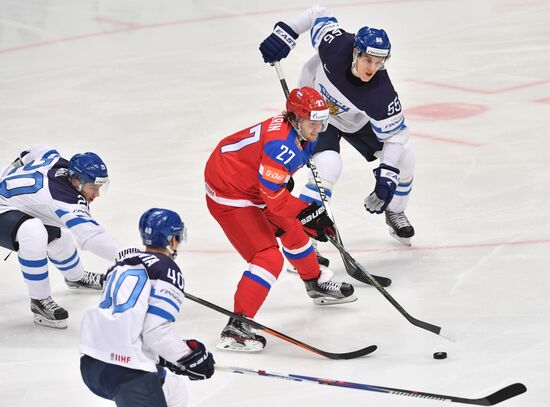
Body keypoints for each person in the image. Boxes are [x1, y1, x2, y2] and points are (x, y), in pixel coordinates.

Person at [204, 86, 357, 353]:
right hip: (230, 194)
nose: (319, 129)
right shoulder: (281, 145)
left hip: (249, 183)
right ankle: (237, 326)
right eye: (313, 123)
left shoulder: (300, 131)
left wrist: (307, 214)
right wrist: (310, 213)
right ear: (296, 119)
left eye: (323, 122)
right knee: (268, 257)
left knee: (294, 231)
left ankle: (315, 282)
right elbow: (275, 198)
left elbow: (276, 187)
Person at [259, 5, 416, 248]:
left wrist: (387, 176)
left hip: (355, 120)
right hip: (315, 112)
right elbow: (317, 13)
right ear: (355, 52)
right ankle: (300, 243)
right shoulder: (335, 45)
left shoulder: (381, 94)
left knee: (404, 159)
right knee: (328, 165)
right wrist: (286, 33)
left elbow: (397, 136)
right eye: (367, 59)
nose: (371, 68)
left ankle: (395, 212)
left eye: (378, 62)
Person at [79, 208, 215, 407]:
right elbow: (154, 332)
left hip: (92, 362)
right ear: (172, 240)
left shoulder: (122, 263)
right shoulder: (167, 269)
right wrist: (189, 358)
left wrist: (171, 356)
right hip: (127, 368)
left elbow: (131, 321)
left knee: (173, 390)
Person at [0, 145, 123, 329]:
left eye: (100, 187)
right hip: (4, 208)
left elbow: (31, 152)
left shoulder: (56, 160)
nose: (96, 193)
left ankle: (76, 277)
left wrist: (8, 173)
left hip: (15, 205)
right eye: (93, 187)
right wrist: (132, 256)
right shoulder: (65, 198)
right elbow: (91, 238)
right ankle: (39, 300)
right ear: (76, 180)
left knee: (59, 235)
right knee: (33, 232)